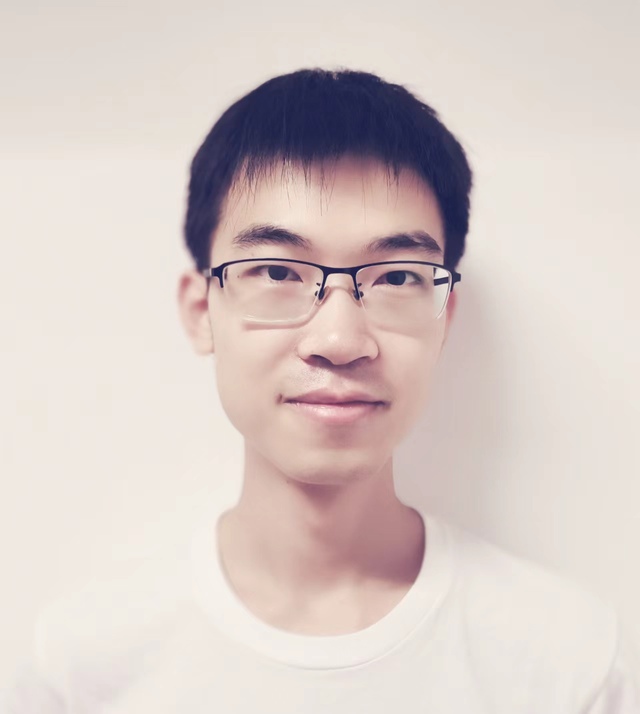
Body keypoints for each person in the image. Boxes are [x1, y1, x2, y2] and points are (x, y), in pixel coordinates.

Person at [2, 68, 639, 713]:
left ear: (444, 316)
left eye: (396, 277)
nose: (339, 339)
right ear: (201, 312)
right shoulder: (82, 668)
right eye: (277, 271)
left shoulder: (566, 665)